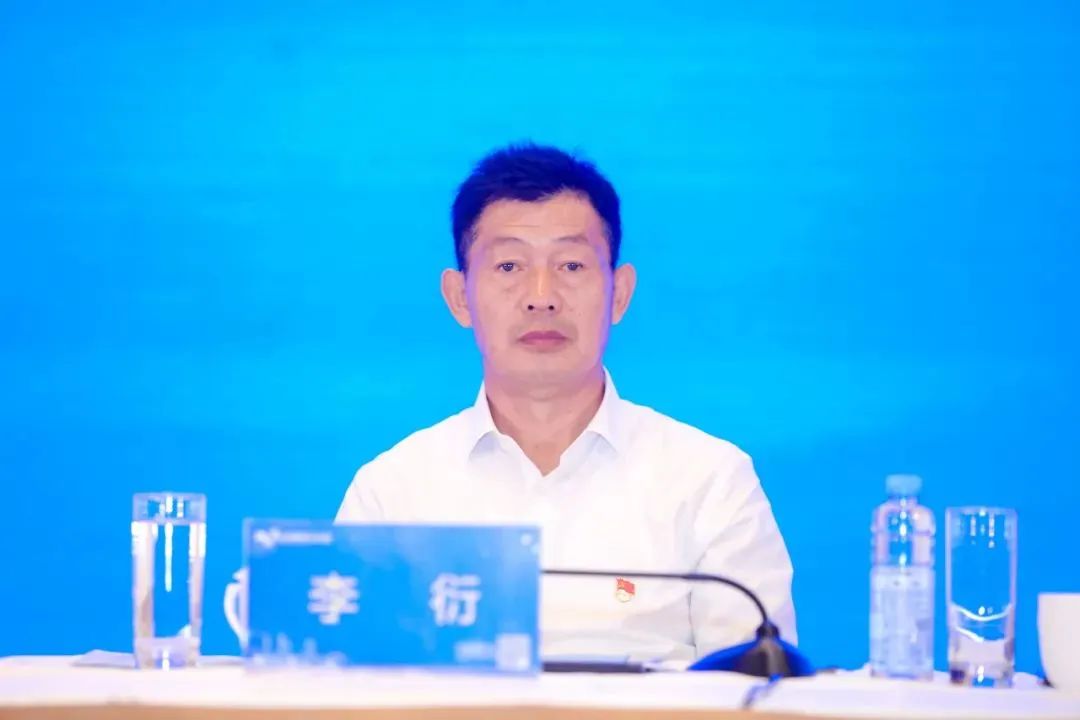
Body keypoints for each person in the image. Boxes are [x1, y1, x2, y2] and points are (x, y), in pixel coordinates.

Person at [336, 143, 796, 663]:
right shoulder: (393, 493)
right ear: (460, 297)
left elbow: (758, 685)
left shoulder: (708, 480)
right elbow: (344, 682)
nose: (541, 295)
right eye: (509, 265)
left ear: (619, 293)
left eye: (572, 265)